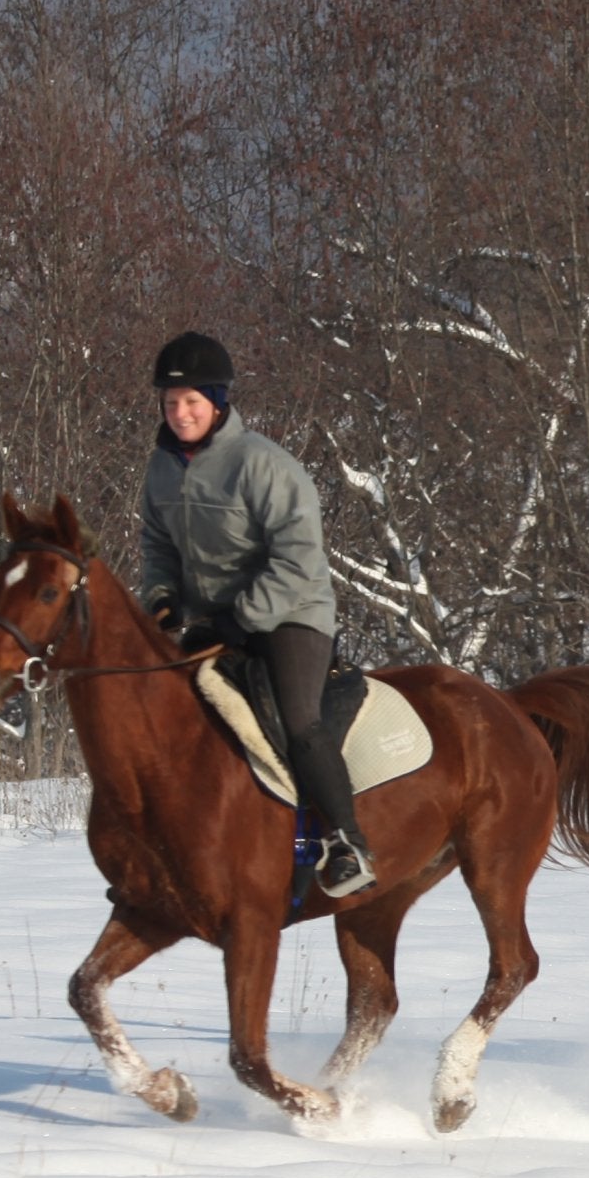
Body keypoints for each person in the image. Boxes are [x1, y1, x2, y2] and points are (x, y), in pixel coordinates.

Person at [136, 331, 375, 897]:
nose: (180, 414)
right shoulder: (162, 469)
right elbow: (156, 544)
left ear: (218, 403)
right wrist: (162, 598)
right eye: (170, 404)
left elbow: (298, 556)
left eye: (192, 402)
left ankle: (346, 842)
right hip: (213, 618)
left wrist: (243, 619)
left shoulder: (264, 464)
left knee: (297, 719)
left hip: (292, 613)